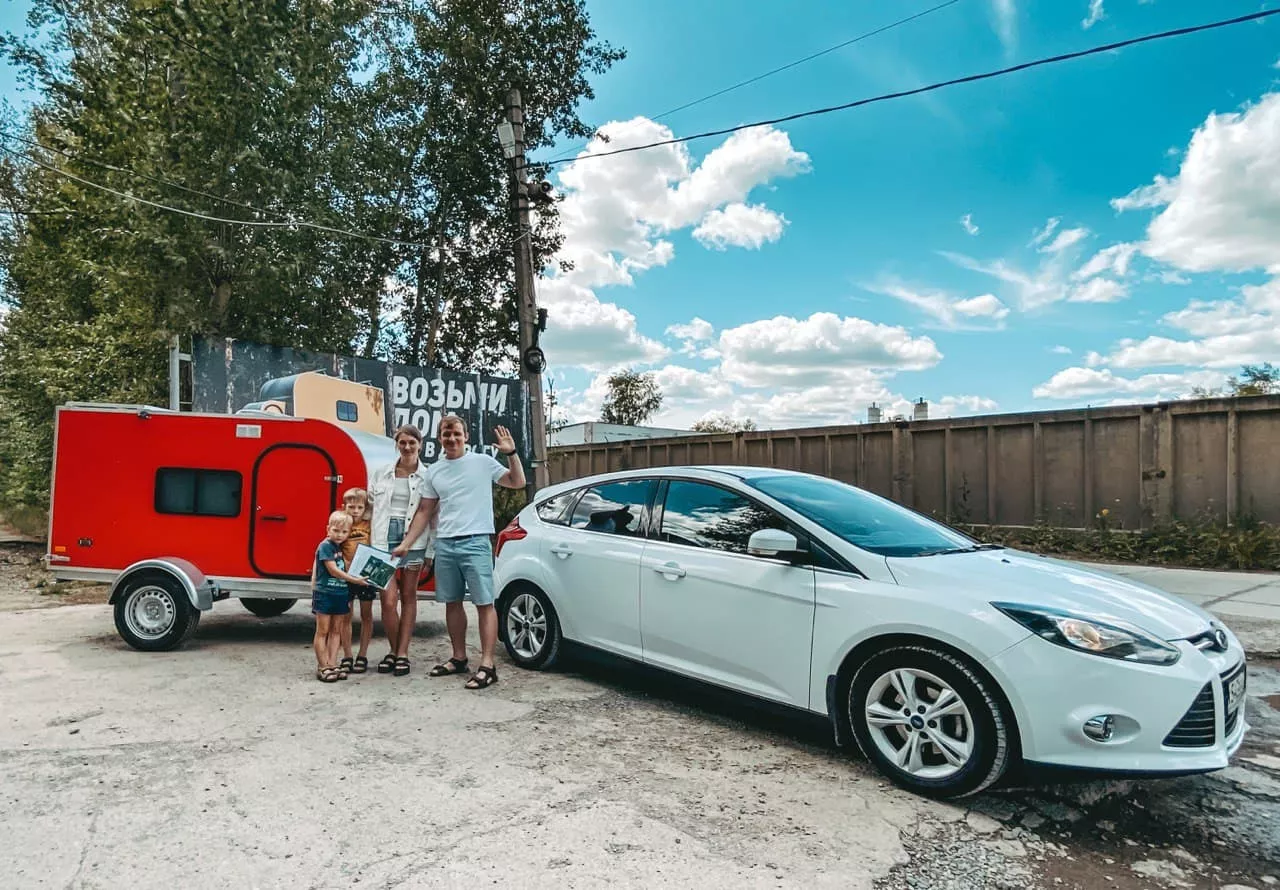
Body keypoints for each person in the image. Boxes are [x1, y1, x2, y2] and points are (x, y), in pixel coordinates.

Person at [394, 414, 524, 690]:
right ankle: (459, 657)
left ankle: (487, 665)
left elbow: (517, 482)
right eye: (445, 434)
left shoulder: (482, 462)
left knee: (484, 603)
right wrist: (406, 543)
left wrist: (511, 453)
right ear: (439, 438)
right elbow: (425, 510)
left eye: (456, 434)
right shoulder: (435, 472)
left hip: (476, 542)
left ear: (466, 436)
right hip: (446, 543)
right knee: (451, 602)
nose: (451, 439)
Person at [368, 424, 435, 677]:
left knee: (409, 597)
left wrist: (431, 551)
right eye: (402, 442)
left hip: (414, 540)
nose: (407, 447)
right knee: (387, 601)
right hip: (381, 541)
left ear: (420, 444)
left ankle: (402, 654)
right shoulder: (381, 473)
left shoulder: (427, 477)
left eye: (412, 442)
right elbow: (370, 508)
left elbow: (432, 516)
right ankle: (395, 650)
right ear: (396, 443)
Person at [312, 511, 370, 682]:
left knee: (336, 630)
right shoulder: (325, 546)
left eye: (344, 532)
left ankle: (332, 663)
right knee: (323, 631)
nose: (340, 535)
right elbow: (333, 570)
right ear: (328, 529)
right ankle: (322, 666)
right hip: (325, 593)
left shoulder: (340, 548)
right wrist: (355, 580)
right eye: (336, 531)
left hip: (340, 593)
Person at [337, 487, 374, 675]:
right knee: (346, 616)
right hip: (347, 576)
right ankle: (347, 655)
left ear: (365, 508)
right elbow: (333, 546)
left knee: (366, 615)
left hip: (365, 576)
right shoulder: (342, 524)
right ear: (344, 507)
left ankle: (363, 654)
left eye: (360, 507)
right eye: (351, 507)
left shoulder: (369, 525)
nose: (356, 511)